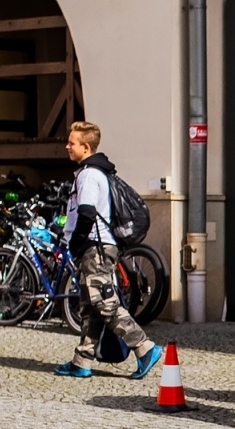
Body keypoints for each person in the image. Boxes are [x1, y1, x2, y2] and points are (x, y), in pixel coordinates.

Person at [55, 121, 164, 381]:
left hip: (96, 249)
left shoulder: (90, 174)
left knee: (105, 303)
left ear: (86, 146)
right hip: (94, 248)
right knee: (89, 306)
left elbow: (87, 212)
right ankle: (82, 361)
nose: (67, 146)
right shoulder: (89, 172)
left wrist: (76, 242)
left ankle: (145, 348)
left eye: (72, 142)